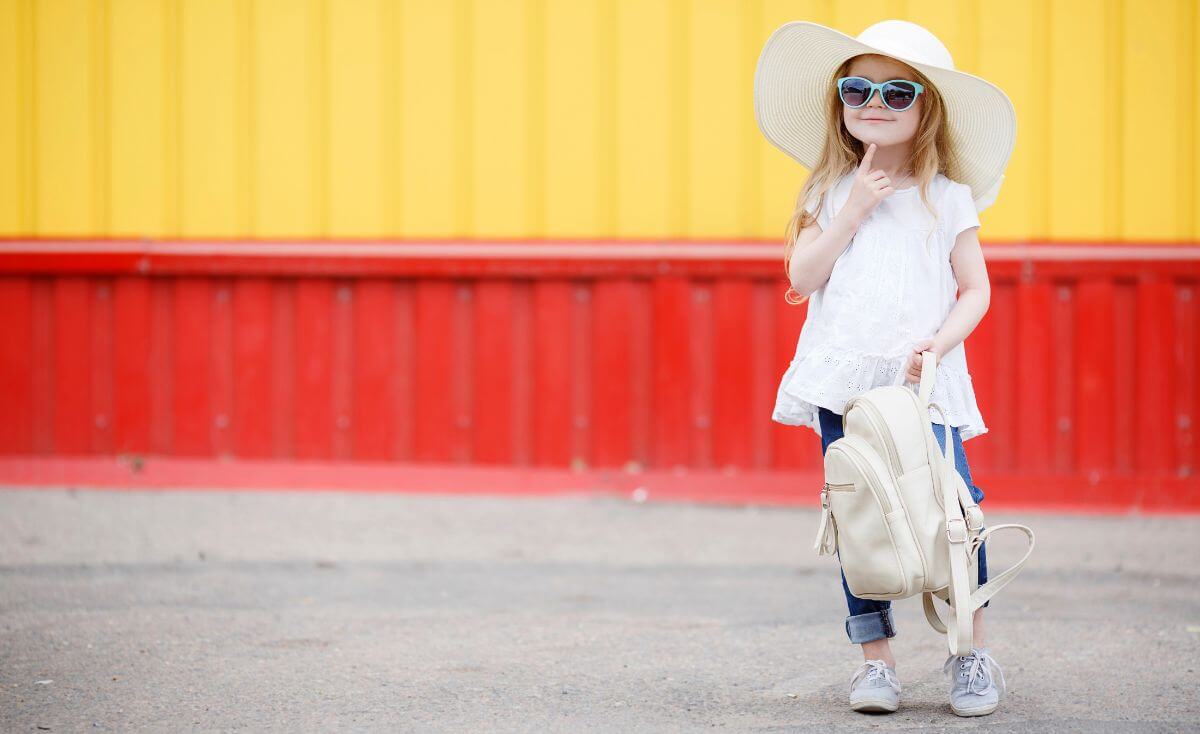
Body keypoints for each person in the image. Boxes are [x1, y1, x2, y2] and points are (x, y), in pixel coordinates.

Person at [754, 20, 1016, 717]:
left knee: (955, 511)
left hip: (922, 384)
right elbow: (802, 278)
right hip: (844, 380)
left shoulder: (947, 195)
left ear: (926, 109)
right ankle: (875, 662)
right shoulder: (830, 190)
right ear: (840, 101)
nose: (875, 103)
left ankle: (969, 652)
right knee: (859, 512)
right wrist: (853, 210)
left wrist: (939, 344)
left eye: (897, 92)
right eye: (858, 89)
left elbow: (975, 289)